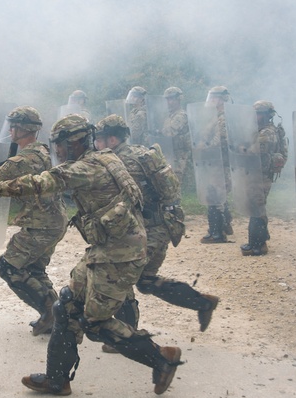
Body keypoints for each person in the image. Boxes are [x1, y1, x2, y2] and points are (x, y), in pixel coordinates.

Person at [0, 114, 184, 397]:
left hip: (120, 253)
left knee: (95, 324)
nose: (56, 151)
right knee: (66, 306)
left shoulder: (87, 168)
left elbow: (41, 182)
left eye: (59, 144)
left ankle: (161, 359)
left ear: (74, 142)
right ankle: (56, 380)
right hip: (106, 248)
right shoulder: (105, 157)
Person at [91, 115, 219, 349]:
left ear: (111, 139)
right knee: (146, 281)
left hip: (151, 229)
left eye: (99, 140)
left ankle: (126, 336)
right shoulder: (138, 153)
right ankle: (202, 303)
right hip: (161, 225)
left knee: (122, 275)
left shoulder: (119, 162)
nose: (96, 145)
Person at [0, 107, 68, 335]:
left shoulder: (25, 157)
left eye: (13, 126)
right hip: (52, 221)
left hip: (41, 223)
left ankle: (51, 312)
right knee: (34, 270)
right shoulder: (43, 151)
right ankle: (59, 317)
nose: (9, 131)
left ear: (22, 129)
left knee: (8, 266)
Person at [239, 101, 288, 256]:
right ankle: (260, 239)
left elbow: (254, 152)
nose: (255, 116)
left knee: (256, 207)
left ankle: (258, 245)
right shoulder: (260, 130)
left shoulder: (267, 133)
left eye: (259, 113)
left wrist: (240, 148)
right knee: (256, 205)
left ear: (268, 115)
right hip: (255, 173)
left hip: (260, 175)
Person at [199, 86, 235, 243]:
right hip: (214, 162)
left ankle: (217, 233)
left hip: (221, 163)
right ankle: (223, 226)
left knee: (216, 195)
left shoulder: (224, 117)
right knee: (216, 193)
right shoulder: (217, 116)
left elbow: (219, 141)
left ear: (222, 99)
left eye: (214, 97)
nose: (211, 100)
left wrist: (203, 147)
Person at [162, 87, 193, 185]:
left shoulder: (181, 115)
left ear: (178, 99)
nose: (169, 102)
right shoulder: (170, 115)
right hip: (170, 151)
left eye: (171, 99)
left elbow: (169, 133)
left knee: (175, 181)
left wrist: (160, 130)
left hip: (179, 154)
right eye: (167, 99)